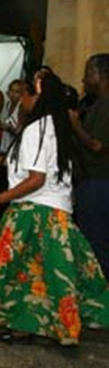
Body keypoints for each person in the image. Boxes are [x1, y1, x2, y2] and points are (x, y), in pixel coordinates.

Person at [0, 72, 109, 346]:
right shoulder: (55, 125)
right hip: (55, 212)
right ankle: (27, 325)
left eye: (25, 93)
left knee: (19, 270)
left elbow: (37, 179)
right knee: (41, 274)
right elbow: (37, 169)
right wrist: (0, 159)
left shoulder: (37, 129)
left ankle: (29, 324)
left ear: (39, 97)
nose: (21, 99)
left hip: (35, 211)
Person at [70, 54, 109, 277]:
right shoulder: (96, 105)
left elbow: (97, 145)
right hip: (91, 180)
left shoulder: (106, 105)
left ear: (100, 74)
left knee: (96, 242)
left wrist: (76, 126)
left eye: (87, 74)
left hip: (99, 181)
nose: (84, 80)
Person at [0, 80, 24, 154]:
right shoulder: (8, 104)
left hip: (16, 148)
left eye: (17, 92)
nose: (13, 94)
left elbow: (21, 132)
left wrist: (9, 128)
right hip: (5, 145)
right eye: (11, 90)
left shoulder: (22, 107)